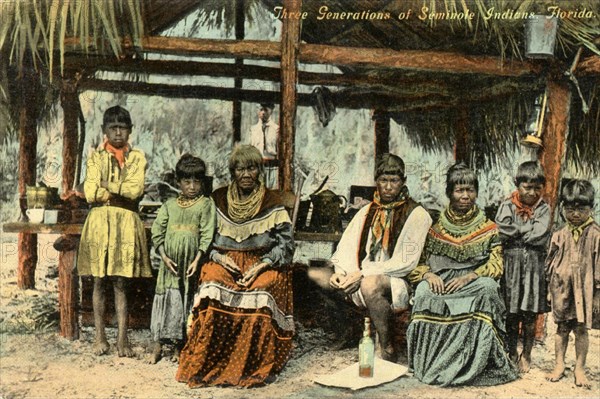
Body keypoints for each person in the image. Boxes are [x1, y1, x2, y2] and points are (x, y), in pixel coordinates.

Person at [176, 145, 294, 387]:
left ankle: (251, 365)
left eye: (251, 167)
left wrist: (262, 264)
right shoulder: (217, 198)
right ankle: (211, 362)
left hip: (262, 261)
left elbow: (286, 245)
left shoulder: (272, 201)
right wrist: (219, 257)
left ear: (259, 170)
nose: (246, 174)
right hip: (224, 259)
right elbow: (203, 237)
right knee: (212, 284)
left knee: (261, 291)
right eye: (240, 168)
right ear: (233, 172)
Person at [308, 153, 432, 362]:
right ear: (376, 182)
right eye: (384, 180)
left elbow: (406, 263)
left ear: (403, 182)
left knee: (369, 285)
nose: (389, 187)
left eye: (394, 181)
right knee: (317, 274)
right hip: (362, 273)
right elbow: (347, 247)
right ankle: (347, 330)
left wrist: (362, 274)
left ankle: (386, 347)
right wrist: (341, 274)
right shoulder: (367, 211)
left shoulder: (417, 214)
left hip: (400, 279)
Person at [407, 163, 518, 386]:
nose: (465, 196)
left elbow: (496, 263)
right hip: (441, 281)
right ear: (450, 193)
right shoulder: (434, 226)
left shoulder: (488, 227)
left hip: (472, 282)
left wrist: (470, 277)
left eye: (470, 190)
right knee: (422, 292)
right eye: (459, 190)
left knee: (488, 288)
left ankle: (474, 363)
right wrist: (429, 276)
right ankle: (432, 362)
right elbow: (417, 262)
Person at [77, 105, 152, 357]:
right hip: (100, 221)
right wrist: (118, 188)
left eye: (123, 127)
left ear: (130, 130)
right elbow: (90, 192)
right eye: (113, 127)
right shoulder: (96, 157)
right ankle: (99, 337)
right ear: (104, 130)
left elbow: (135, 190)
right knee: (99, 279)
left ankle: (122, 339)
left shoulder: (138, 157)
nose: (118, 132)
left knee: (121, 282)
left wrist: (107, 185)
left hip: (126, 222)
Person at [149, 154, 216, 363]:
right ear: (178, 182)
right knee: (166, 301)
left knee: (184, 300)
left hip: (189, 264)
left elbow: (207, 233)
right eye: (187, 181)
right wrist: (163, 256)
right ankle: (157, 346)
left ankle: (180, 347)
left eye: (197, 181)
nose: (193, 186)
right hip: (170, 264)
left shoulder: (206, 204)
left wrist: (197, 259)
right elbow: (157, 232)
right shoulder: (170, 205)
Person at [495, 161, 551, 373]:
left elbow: (538, 234)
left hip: (533, 267)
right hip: (511, 266)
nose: (532, 192)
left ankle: (526, 354)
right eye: (527, 187)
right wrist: (524, 228)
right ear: (517, 184)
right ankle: (510, 351)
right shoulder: (507, 205)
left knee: (529, 314)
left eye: (537, 188)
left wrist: (517, 230)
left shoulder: (544, 208)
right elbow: (502, 230)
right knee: (511, 313)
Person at [545, 179, 599, 389]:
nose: (575, 214)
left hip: (585, 291)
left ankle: (580, 368)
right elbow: (550, 262)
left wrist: (597, 295)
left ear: (591, 208)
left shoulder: (596, 235)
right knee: (561, 328)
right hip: (562, 289)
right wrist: (550, 289)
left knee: (581, 330)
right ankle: (559, 365)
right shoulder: (559, 234)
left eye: (581, 208)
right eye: (570, 208)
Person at [249, 103, 279, 189]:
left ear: (271, 111)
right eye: (261, 109)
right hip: (257, 166)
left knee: (272, 192)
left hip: (272, 166)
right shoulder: (253, 130)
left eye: (266, 110)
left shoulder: (276, 129)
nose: (263, 112)